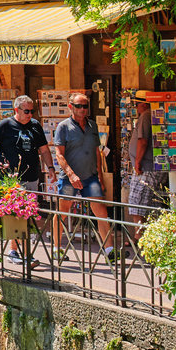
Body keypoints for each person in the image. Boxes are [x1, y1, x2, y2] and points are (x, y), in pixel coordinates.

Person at [0, 95, 55, 265]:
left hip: (32, 177)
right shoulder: (5, 125)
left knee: (27, 215)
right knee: (18, 215)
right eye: (27, 111)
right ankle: (22, 253)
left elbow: (44, 150)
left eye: (32, 111)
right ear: (17, 110)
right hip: (11, 179)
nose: (30, 114)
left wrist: (51, 168)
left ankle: (15, 251)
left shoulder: (35, 126)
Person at [52, 91, 117, 261]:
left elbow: (97, 152)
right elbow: (59, 154)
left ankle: (109, 249)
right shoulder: (63, 127)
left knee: (101, 211)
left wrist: (100, 177)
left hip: (91, 177)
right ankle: (56, 249)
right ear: (70, 107)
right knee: (62, 212)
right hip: (69, 178)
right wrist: (71, 174)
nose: (82, 109)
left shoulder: (92, 126)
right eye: (79, 106)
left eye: (85, 106)